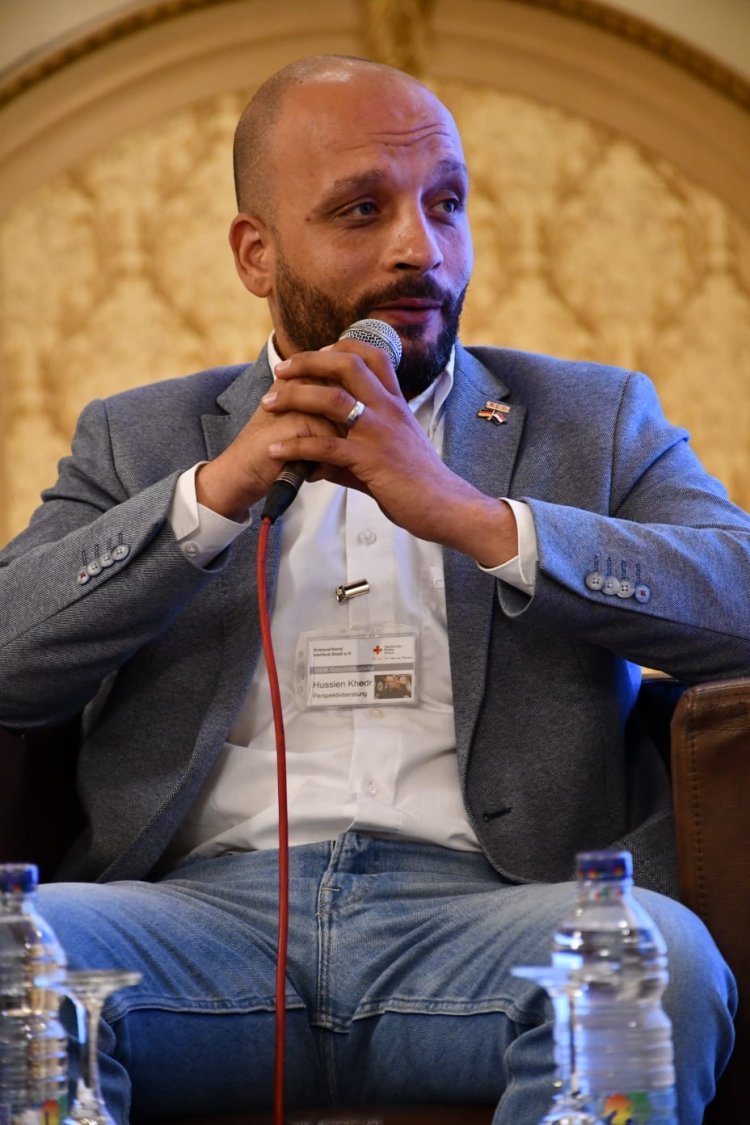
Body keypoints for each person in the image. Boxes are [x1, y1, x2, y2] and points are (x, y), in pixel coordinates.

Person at [0, 53, 748, 1124]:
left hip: (497, 920)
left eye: (447, 204)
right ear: (258, 254)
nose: (421, 247)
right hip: (197, 927)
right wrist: (208, 502)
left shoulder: (593, 418)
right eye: (362, 210)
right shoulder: (140, 438)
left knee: (650, 965)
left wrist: (482, 522)